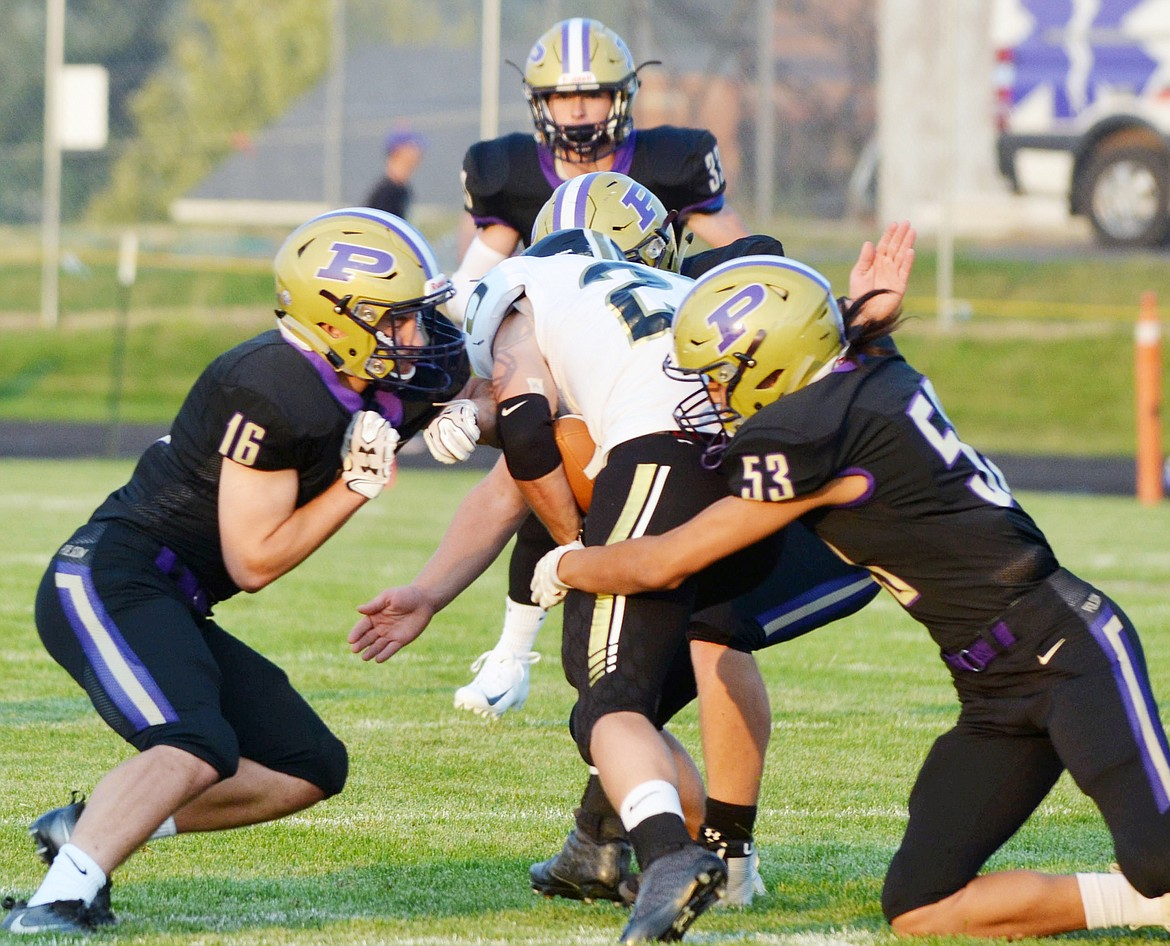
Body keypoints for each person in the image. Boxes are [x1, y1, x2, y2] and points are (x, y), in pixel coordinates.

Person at [530, 235, 1170, 938]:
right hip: (992, 689)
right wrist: (866, 310)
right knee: (919, 910)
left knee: (1159, 856)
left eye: (718, 375)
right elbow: (853, 340)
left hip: (1065, 650)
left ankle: (1156, 885)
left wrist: (566, 564)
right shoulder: (864, 369)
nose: (709, 393)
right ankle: (1145, 909)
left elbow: (666, 562)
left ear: (772, 370)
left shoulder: (811, 430)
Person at [350, 217, 885, 940]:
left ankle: (670, 857)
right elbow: (517, 476)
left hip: (669, 453)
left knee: (605, 695)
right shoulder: (633, 299)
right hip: (752, 454)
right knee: (668, 654)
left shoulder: (516, 301)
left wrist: (581, 555)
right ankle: (643, 849)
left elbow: (530, 437)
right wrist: (430, 594)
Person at [2, 208, 476, 935]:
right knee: (195, 742)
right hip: (112, 577)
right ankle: (58, 900)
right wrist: (355, 486)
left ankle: (90, 829)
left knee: (308, 765)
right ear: (338, 319)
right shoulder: (270, 386)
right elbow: (252, 563)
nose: (415, 337)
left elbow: (485, 387)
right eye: (396, 320)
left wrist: (474, 415)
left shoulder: (372, 370)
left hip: (174, 595)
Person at [440, 16, 751, 722]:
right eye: (562, 97)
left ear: (624, 96)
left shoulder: (672, 161)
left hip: (650, 354)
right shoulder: (508, 173)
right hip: (559, 356)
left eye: (592, 95)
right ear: (538, 105)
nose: (577, 110)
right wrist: (464, 396)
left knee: (542, 464)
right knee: (536, 460)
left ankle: (535, 625)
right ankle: (515, 648)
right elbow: (476, 287)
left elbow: (739, 254)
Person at [364, 128, 426, 219]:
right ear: (397, 151)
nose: (418, 151)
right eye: (412, 146)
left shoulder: (403, 189)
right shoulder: (386, 190)